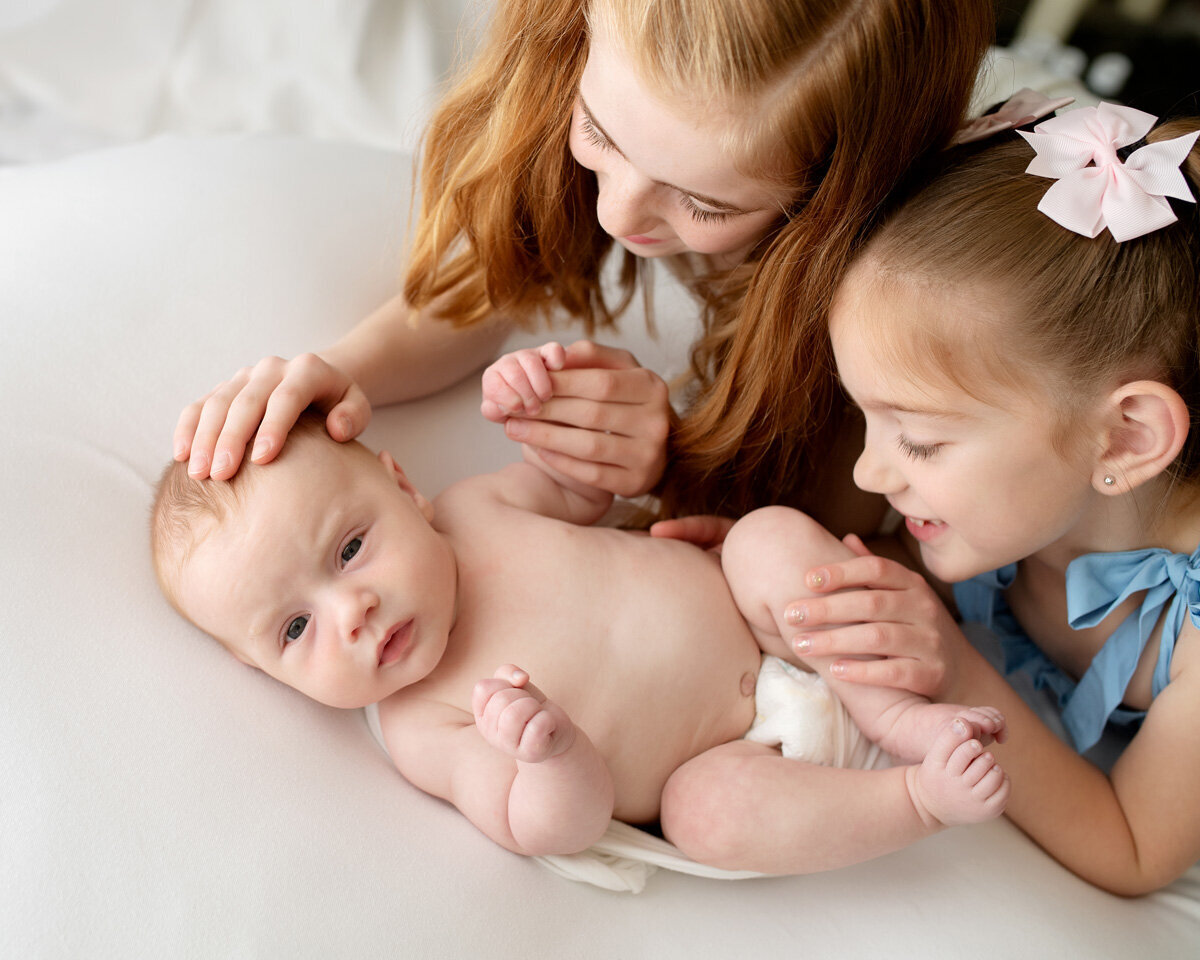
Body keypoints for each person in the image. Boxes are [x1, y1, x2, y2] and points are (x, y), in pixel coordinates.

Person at [172, 0, 994, 534]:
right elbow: (495, 282)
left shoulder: (888, 284)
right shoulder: (590, 56)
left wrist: (674, 464)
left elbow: (834, 524)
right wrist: (349, 369)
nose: (615, 215)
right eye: (600, 135)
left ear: (831, 202)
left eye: (703, 205)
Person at [151, 362, 1010, 872]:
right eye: (295, 630)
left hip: (763, 621)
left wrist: (539, 401)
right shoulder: (423, 725)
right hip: (740, 759)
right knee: (704, 819)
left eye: (348, 552)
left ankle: (902, 719)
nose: (352, 611)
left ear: (404, 488)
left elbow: (588, 486)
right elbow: (545, 828)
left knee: (765, 536)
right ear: (263, 672)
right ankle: (918, 796)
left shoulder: (477, 510)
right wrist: (550, 753)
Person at [782, 104, 1200, 894]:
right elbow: (877, 569)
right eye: (863, 416)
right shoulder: (1015, 502)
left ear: (1125, 439)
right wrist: (772, 571)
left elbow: (1134, 849)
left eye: (922, 441)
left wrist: (958, 670)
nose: (871, 475)